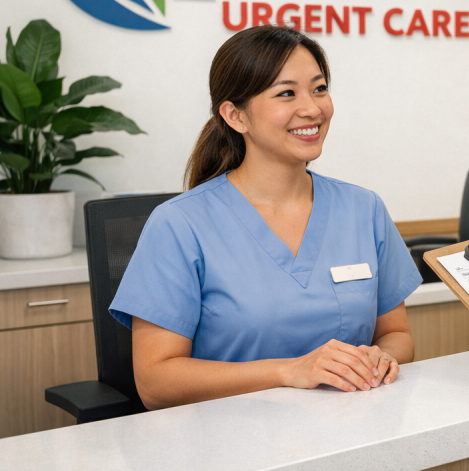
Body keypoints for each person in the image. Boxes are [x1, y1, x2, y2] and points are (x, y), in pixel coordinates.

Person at [110, 25, 421, 409]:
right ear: (235, 116)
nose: (312, 108)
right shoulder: (179, 225)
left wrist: (382, 357)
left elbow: (397, 335)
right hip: (227, 443)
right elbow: (156, 382)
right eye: (286, 93)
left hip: (353, 431)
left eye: (319, 88)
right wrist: (289, 372)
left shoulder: (364, 209)